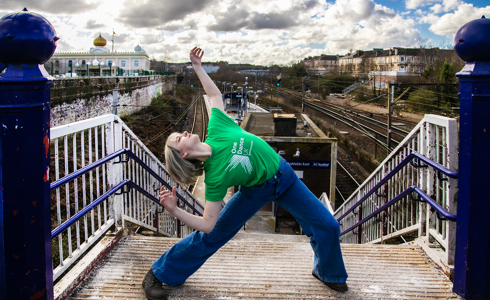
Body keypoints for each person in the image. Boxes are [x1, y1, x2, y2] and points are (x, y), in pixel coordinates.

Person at [142, 47, 348, 300]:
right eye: (178, 140)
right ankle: (159, 273)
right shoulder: (214, 177)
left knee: (328, 225)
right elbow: (207, 224)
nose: (183, 133)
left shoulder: (217, 127)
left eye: (181, 132)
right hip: (255, 191)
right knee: (213, 236)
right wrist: (174, 210)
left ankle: (329, 274)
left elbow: (214, 94)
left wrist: (196, 66)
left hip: (285, 178)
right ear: (183, 155)